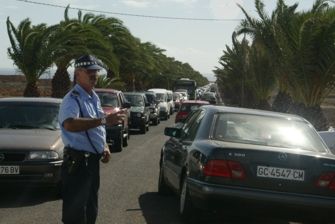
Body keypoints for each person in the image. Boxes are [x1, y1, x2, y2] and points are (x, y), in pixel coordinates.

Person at [58, 55, 125, 224]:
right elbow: (70, 124)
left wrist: (104, 145)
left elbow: (96, 125)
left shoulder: (93, 96)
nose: (95, 76)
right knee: (76, 213)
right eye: (90, 72)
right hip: (78, 162)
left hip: (91, 162)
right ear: (78, 73)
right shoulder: (72, 98)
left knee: (91, 208)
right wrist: (104, 120)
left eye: (96, 72)